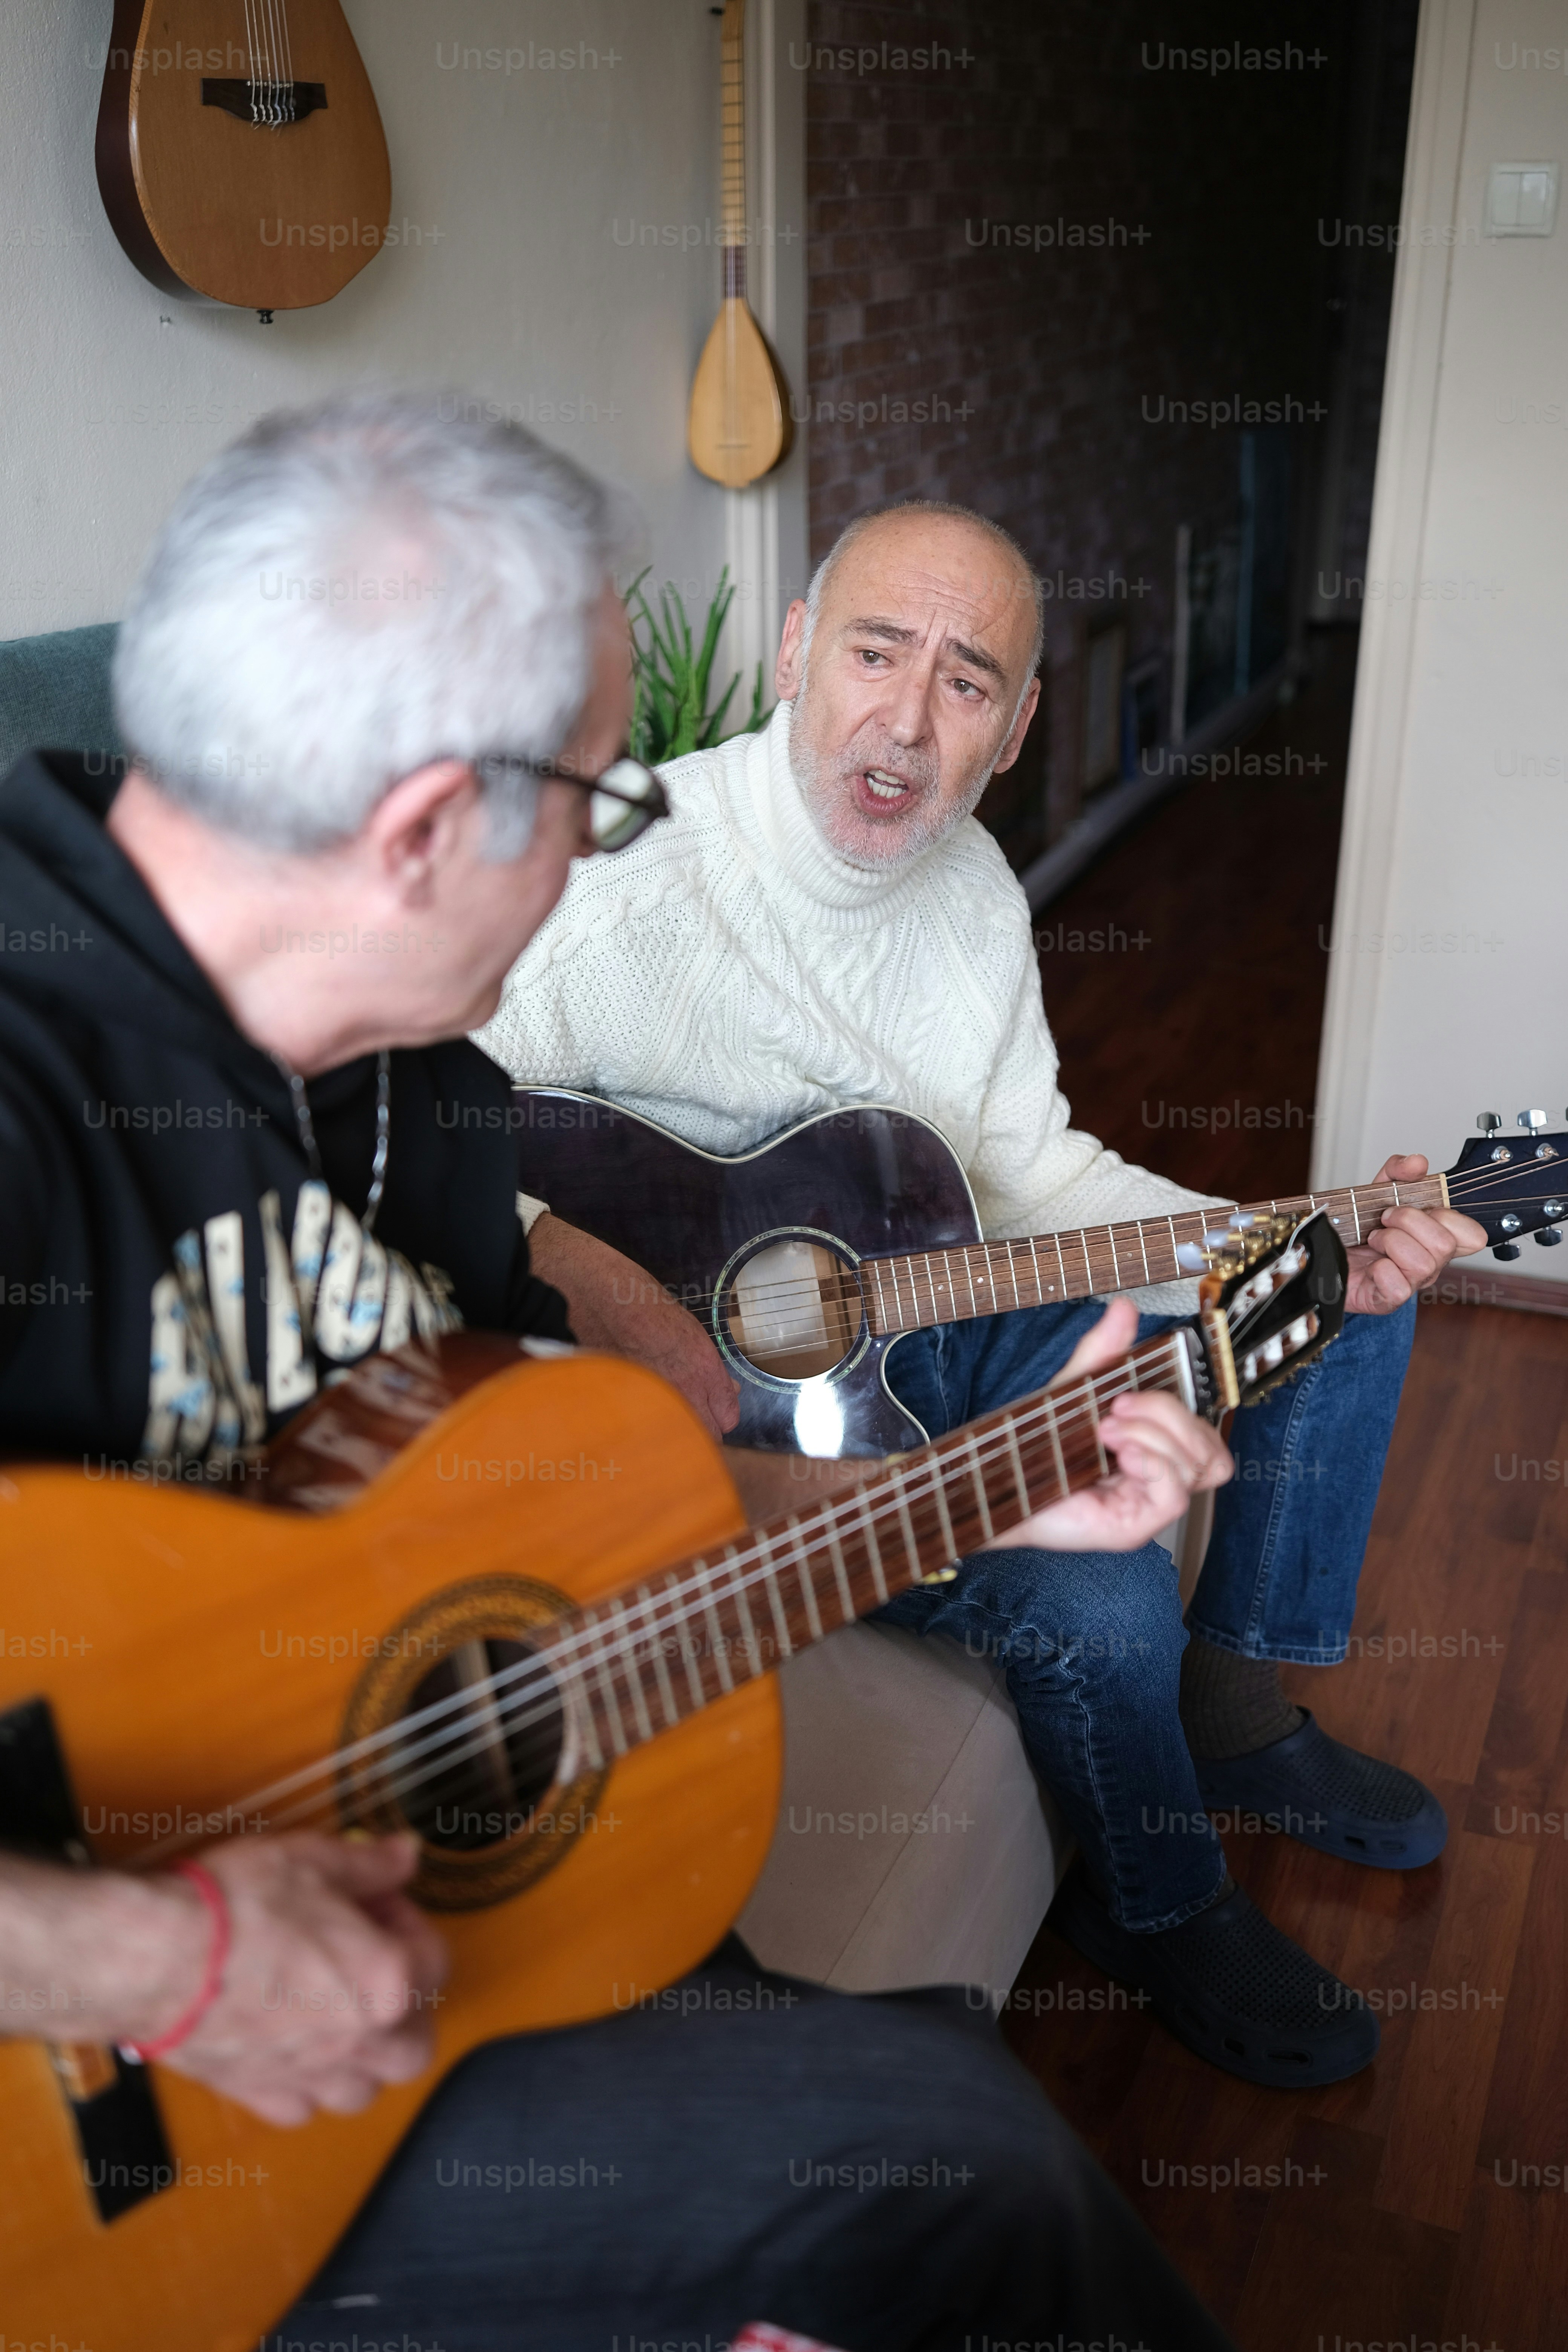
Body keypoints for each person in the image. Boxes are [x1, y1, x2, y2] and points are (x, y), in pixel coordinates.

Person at [0, 396, 1240, 2351]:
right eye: (598, 801)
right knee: (962, 2172)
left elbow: (565, 1502)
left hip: (444, 1906)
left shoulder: (412, 1086)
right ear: (427, 828)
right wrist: (163, 1956)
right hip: (127, 2114)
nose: (604, 849)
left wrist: (992, 1487)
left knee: (905, 2077)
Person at [479, 496, 1488, 2091]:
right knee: (1098, 1592)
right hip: (758, 1435)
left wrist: (1274, 1230)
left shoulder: (972, 893)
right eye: (875, 653)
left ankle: (1229, 1711)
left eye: (965, 682)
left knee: (1335, 1294)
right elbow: (410, 1131)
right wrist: (615, 1293)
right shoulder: (621, 887)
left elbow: (1027, 1171)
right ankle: (1154, 1906)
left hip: (930, 1310)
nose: (904, 721)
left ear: (1014, 730)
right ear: (797, 651)